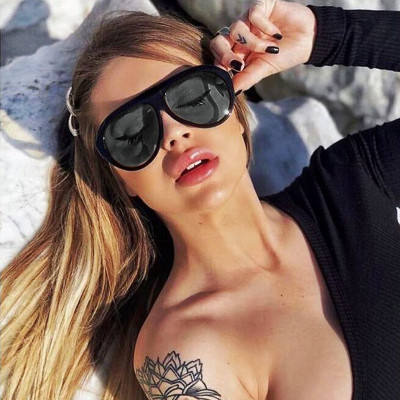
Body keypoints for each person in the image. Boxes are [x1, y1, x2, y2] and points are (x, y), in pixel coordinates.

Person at [1, 0, 399, 399]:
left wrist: (326, 35)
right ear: (121, 180)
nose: (174, 132)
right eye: (132, 133)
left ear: (235, 107)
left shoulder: (352, 186)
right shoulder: (188, 349)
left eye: (192, 97)